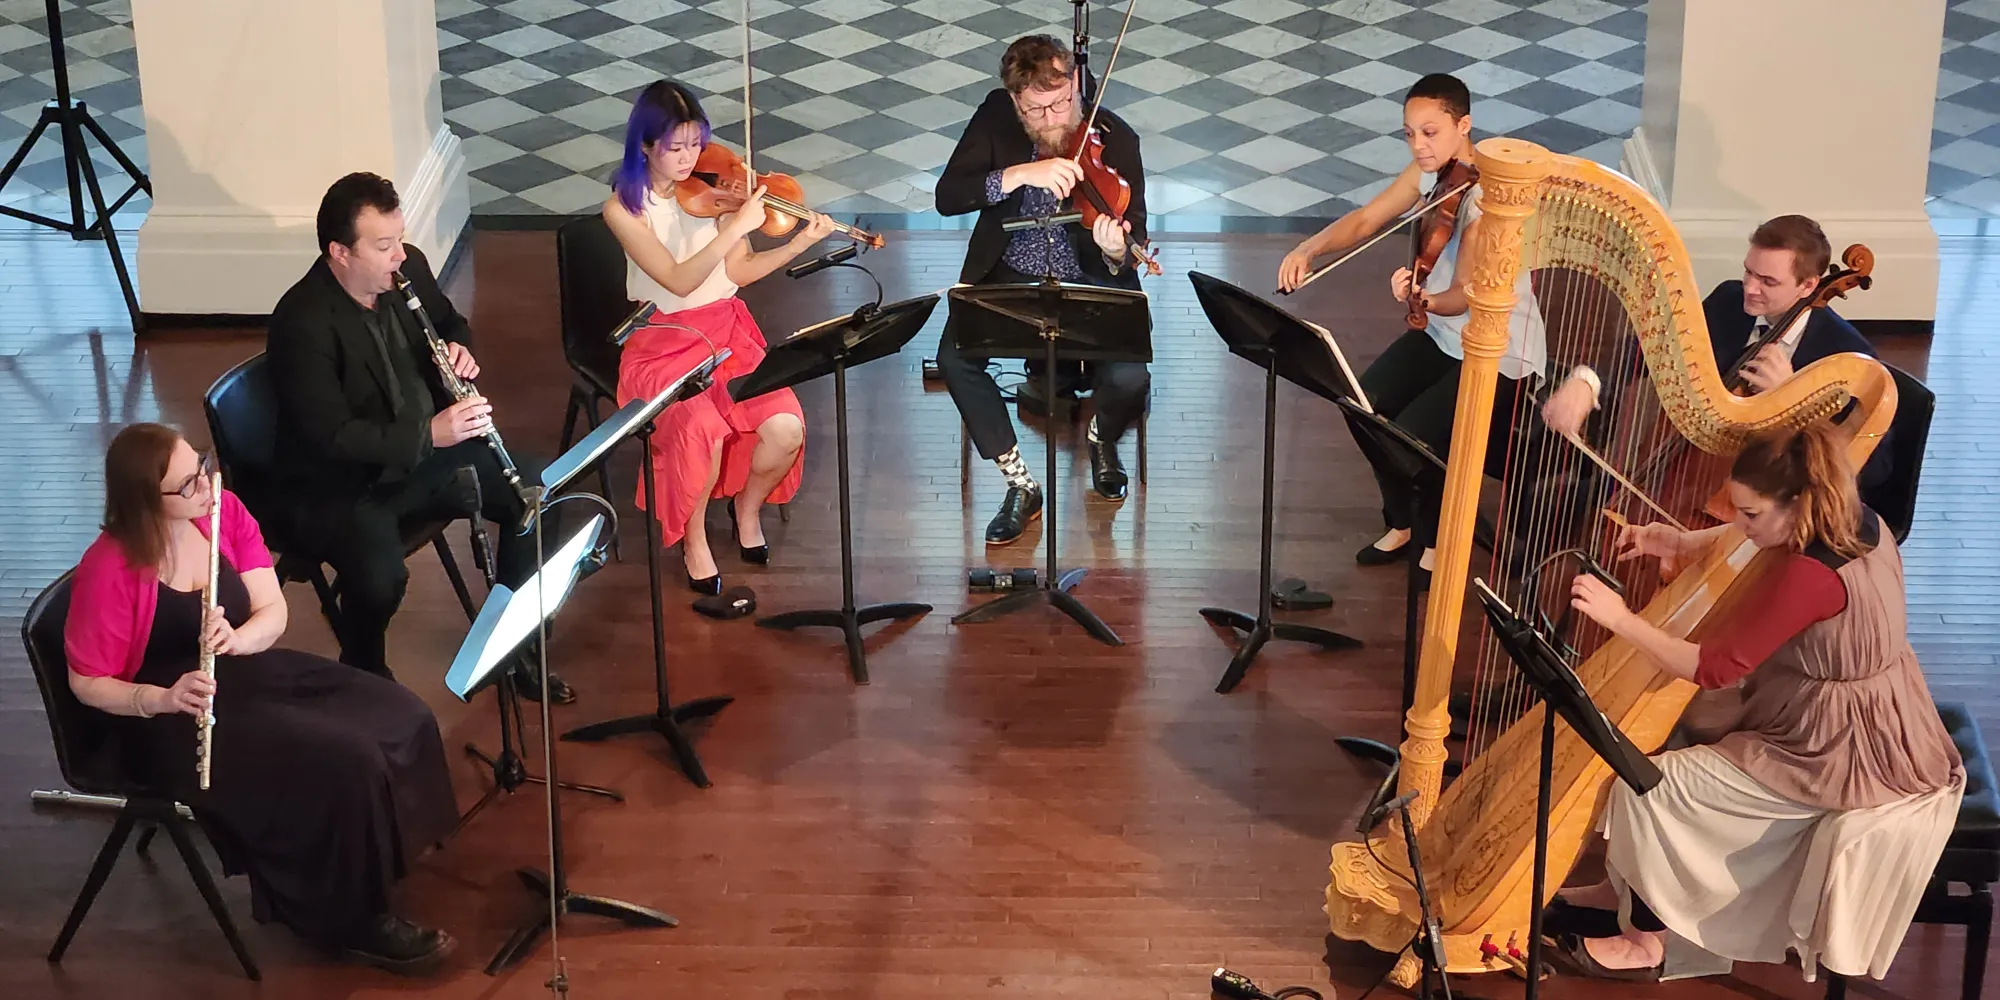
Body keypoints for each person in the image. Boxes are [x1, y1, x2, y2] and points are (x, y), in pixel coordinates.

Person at [1552, 419, 1963, 982]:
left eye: (1750, 514)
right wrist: (1675, 540)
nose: (1739, 525)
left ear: (1797, 503)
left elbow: (1714, 668)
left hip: (1835, 745)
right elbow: (1745, 546)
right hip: (1862, 703)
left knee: (1649, 784)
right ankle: (1622, 891)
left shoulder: (1811, 577)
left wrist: (1620, 620)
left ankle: (1646, 942)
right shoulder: (1855, 520)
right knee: (1667, 727)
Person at [64, 424, 460, 975]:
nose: (205, 485)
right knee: (345, 760)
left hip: (245, 669)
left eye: (202, 466)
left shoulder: (222, 512)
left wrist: (237, 638)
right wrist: (160, 697)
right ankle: (348, 919)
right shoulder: (109, 567)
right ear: (144, 500)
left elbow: (272, 610)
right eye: (187, 485)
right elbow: (86, 682)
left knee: (402, 712)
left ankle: (386, 858)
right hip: (171, 716)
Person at [266, 172, 573, 702]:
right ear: (340, 252)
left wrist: (459, 346)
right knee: (381, 575)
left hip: (426, 458)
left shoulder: (408, 272)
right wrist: (431, 431)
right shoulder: (302, 322)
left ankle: (511, 640)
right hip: (343, 485)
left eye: (399, 239)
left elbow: (453, 321)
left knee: (538, 494)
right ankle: (363, 671)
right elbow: (331, 437)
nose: (399, 256)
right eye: (383, 246)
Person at [1278, 73, 1555, 578]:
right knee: (1362, 404)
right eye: (1409, 133)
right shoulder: (1432, 175)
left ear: (1463, 125)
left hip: (1497, 347)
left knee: (1413, 436)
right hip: (1443, 332)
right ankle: (1403, 521)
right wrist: (1308, 249)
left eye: (1430, 132)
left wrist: (1420, 297)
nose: (1419, 145)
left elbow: (1466, 295)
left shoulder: (1485, 201)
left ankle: (1438, 540)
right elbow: (1366, 219)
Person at [602, 80, 827, 593]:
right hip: (663, 342)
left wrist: (799, 244)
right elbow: (678, 279)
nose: (689, 160)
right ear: (644, 146)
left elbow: (740, 270)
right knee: (702, 429)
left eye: (696, 144)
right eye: (675, 148)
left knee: (786, 427)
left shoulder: (716, 190)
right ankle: (694, 537)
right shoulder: (623, 209)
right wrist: (735, 221)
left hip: (726, 331)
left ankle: (747, 512)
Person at [934, 33, 1153, 545]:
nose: (1053, 119)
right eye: (1037, 110)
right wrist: (1016, 173)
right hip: (1009, 274)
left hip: (1090, 280)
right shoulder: (996, 117)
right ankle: (1020, 483)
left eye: (1061, 103)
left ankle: (1101, 438)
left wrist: (1117, 251)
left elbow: (1135, 229)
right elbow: (949, 196)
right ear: (1015, 101)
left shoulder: (1116, 137)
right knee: (954, 359)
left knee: (1131, 376)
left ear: (1076, 84)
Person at [1539, 214, 1891, 493]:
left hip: (1778, 504)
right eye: (1749, 272)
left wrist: (1791, 405)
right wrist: (1586, 381)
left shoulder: (1848, 357)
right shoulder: (1728, 303)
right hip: (1681, 470)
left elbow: (1873, 470)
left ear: (1809, 285)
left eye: (1768, 282)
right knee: (1552, 503)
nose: (1750, 290)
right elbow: (1647, 350)